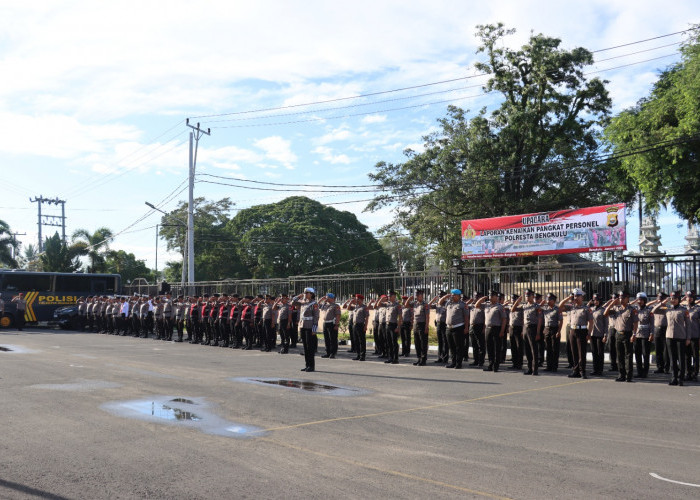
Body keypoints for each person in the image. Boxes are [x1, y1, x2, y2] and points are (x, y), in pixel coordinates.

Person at [652, 291, 690, 386]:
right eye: (671, 299)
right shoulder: (667, 309)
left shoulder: (683, 310)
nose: (673, 300)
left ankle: (681, 378)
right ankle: (674, 378)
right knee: (672, 359)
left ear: (679, 299)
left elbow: (688, 326)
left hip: (680, 337)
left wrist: (688, 338)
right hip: (669, 336)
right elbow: (653, 311)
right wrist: (663, 302)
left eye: (675, 299)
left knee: (681, 359)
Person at [604, 291, 638, 382]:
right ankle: (621, 375)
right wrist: (612, 303)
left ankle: (629, 376)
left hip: (628, 334)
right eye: (619, 298)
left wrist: (634, 334)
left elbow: (635, 323)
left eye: (623, 298)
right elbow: (605, 313)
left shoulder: (632, 309)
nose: (621, 299)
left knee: (628, 356)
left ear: (627, 298)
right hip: (618, 334)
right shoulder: (616, 308)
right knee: (620, 356)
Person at [559, 288, 593, 379]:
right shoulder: (571, 307)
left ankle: (583, 371)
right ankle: (576, 371)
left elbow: (591, 322)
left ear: (582, 297)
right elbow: (560, 306)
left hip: (582, 331)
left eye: (578, 296)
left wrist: (589, 333)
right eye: (575, 295)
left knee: (581, 353)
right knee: (574, 352)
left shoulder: (586, 308)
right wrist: (568, 298)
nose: (576, 297)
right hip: (572, 331)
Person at [475, 291, 506, 372]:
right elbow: (476, 305)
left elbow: (504, 319)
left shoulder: (500, 307)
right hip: (488, 328)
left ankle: (496, 366)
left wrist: (502, 331)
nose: (490, 297)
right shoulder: (486, 305)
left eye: (492, 295)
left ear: (496, 297)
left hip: (497, 328)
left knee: (497, 348)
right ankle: (490, 364)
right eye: (489, 295)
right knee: (489, 347)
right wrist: (483, 298)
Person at [515, 290, 542, 376]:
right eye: (526, 296)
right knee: (527, 350)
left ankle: (535, 369)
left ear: (532, 296)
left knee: (534, 350)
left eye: (528, 296)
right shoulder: (524, 306)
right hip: (526, 328)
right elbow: (513, 309)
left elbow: (540, 320)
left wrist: (538, 333)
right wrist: (517, 301)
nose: (526, 297)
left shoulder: (536, 306)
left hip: (533, 328)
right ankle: (529, 368)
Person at [292, 288, 320, 372]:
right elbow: (293, 303)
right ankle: (307, 365)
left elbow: (316, 317)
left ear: (311, 294)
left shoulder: (314, 304)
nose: (305, 294)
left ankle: (311, 366)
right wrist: (298, 296)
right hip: (302, 326)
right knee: (305, 347)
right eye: (304, 293)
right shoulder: (303, 303)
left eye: (307, 293)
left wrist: (314, 329)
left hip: (310, 326)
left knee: (310, 347)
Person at [442, 289, 469, 369]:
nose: (452, 296)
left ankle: (458, 363)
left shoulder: (463, 305)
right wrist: (445, 296)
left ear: (459, 296)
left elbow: (466, 317)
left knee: (459, 347)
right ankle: (453, 362)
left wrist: (466, 327)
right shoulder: (449, 303)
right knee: (451, 347)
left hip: (458, 327)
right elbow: (440, 303)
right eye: (451, 294)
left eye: (454, 295)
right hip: (448, 328)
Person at [631, 292, 653, 378]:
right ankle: (639, 371)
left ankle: (645, 372)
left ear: (644, 300)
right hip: (636, 334)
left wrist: (652, 333)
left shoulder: (649, 310)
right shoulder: (634, 309)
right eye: (638, 300)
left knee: (645, 354)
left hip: (646, 334)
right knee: (637, 354)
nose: (639, 301)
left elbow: (652, 323)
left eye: (641, 300)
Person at [407, 290, 430, 366]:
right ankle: (419, 358)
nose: (416, 297)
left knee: (423, 343)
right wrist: (410, 298)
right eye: (416, 295)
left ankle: (423, 359)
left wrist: (426, 327)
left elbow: (427, 317)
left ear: (421, 296)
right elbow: (406, 304)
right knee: (417, 343)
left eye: (417, 295)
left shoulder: (425, 304)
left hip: (422, 325)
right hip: (415, 325)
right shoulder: (415, 304)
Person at [589, 294, 610, 376]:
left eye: (597, 300)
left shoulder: (603, 310)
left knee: (600, 353)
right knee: (594, 352)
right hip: (592, 333)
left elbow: (606, 324)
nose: (595, 301)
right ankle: (595, 369)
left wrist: (605, 335)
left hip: (600, 334)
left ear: (600, 301)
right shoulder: (591, 309)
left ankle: (600, 370)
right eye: (594, 300)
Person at [542, 293, 563, 372]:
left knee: (555, 348)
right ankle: (548, 366)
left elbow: (561, 321)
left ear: (553, 301)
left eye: (549, 300)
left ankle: (554, 366)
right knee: (548, 348)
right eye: (547, 299)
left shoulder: (557, 309)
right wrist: (541, 303)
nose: (547, 301)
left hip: (555, 329)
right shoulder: (545, 308)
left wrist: (559, 331)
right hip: (547, 329)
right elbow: (536, 308)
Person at [380, 291, 402, 364]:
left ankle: (395, 359)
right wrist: (382, 299)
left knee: (394, 343)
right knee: (388, 342)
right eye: (388, 296)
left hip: (394, 325)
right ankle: (390, 357)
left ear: (394, 296)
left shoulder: (397, 305)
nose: (388, 297)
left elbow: (400, 317)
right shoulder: (388, 304)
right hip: (387, 325)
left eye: (390, 296)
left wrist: (398, 327)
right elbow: (378, 304)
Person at [682, 291, 699, 381]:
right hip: (685, 336)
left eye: (691, 297)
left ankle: (695, 373)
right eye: (688, 297)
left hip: (695, 335)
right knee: (687, 356)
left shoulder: (698, 309)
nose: (689, 299)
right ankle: (688, 373)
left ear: (694, 298)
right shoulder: (683, 309)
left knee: (695, 356)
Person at [319, 293, 341, 358]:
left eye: (327, 297)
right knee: (326, 339)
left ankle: (333, 353)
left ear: (331, 298)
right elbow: (317, 305)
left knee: (333, 339)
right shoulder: (325, 305)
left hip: (332, 323)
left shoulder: (335, 306)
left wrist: (336, 324)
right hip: (325, 323)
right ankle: (327, 352)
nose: (326, 299)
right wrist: (321, 299)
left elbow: (338, 315)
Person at [653, 292, 670, 374]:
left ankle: (667, 368)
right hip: (657, 329)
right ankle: (660, 367)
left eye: (661, 298)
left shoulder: (668, 307)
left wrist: (664, 303)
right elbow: (653, 311)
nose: (659, 300)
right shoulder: (656, 307)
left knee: (665, 350)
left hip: (665, 329)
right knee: (658, 350)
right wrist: (659, 303)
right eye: (658, 298)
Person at [429, 292, 449, 364]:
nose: (440, 297)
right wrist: (433, 299)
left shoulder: (447, 303)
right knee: (440, 342)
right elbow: (428, 306)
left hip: (444, 324)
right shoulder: (437, 304)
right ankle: (439, 357)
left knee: (445, 342)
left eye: (441, 296)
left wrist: (444, 298)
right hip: (438, 324)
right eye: (439, 296)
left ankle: (445, 358)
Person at [468, 292, 486, 367]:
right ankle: (476, 360)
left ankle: (481, 361)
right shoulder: (471, 305)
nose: (475, 298)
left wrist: (484, 328)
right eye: (474, 296)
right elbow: (464, 304)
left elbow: (486, 318)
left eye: (477, 297)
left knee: (480, 345)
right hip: (472, 327)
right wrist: (471, 300)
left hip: (480, 326)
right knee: (474, 345)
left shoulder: (484, 306)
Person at [349, 294, 369, 361]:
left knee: (362, 341)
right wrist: (351, 302)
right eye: (356, 299)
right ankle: (358, 355)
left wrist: (365, 326)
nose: (356, 300)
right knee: (356, 340)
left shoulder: (364, 307)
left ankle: (362, 356)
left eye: (357, 299)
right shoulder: (356, 307)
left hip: (361, 325)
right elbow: (348, 308)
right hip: (354, 325)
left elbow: (367, 318)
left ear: (361, 300)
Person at [508, 294, 524, 370]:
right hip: (511, 327)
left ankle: (519, 364)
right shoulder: (510, 306)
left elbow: (524, 320)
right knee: (513, 346)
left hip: (519, 328)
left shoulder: (521, 308)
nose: (512, 300)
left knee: (519, 347)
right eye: (512, 299)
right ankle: (514, 363)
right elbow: (512, 309)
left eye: (514, 299)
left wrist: (523, 330)